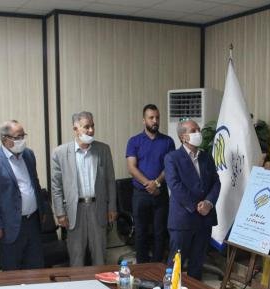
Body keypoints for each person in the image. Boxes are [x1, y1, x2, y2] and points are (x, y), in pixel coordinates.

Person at [0, 120, 47, 270]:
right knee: (12, 271)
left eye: (23, 136)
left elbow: (35, 183)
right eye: (17, 137)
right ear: (5, 139)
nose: (22, 140)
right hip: (9, 226)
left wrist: (42, 210)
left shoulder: (28, 154)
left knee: (37, 268)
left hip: (33, 222)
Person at [51, 111, 117, 266]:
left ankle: (100, 282)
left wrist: (112, 207)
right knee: (76, 258)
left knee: (100, 257)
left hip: (98, 208)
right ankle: (78, 282)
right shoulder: (60, 153)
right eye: (86, 127)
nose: (91, 130)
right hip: (74, 211)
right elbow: (56, 186)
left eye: (92, 126)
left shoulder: (103, 149)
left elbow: (110, 181)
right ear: (75, 129)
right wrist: (60, 213)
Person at [164, 119, 220, 279]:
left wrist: (208, 203)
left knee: (197, 266)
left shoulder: (206, 157)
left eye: (198, 130)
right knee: (175, 267)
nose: (198, 133)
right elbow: (175, 185)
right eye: (193, 131)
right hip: (183, 220)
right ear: (183, 137)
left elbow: (216, 182)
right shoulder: (172, 157)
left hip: (204, 220)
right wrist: (196, 205)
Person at [126, 104, 175, 263]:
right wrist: (149, 184)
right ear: (144, 120)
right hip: (140, 195)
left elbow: (169, 167)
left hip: (160, 194)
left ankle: (157, 267)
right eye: (151, 118)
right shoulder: (134, 141)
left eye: (157, 117)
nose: (155, 121)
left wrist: (157, 183)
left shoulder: (168, 141)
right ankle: (142, 267)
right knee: (141, 233)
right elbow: (131, 167)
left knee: (160, 232)